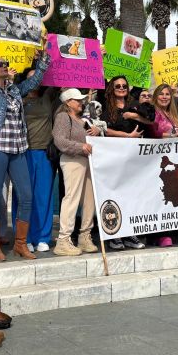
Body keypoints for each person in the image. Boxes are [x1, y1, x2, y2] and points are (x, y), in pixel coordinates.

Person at [0, 32, 50, 261]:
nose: (3, 66)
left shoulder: (15, 91)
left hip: (18, 147)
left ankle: (20, 244)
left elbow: (35, 80)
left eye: (5, 64)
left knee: (26, 195)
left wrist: (43, 53)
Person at [11, 68, 58, 253]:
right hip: (22, 153)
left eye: (38, 77)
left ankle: (43, 237)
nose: (35, 81)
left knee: (43, 196)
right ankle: (24, 237)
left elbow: (62, 73)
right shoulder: (17, 97)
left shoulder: (48, 96)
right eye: (31, 78)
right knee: (22, 196)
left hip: (44, 154)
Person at [52, 89, 102, 256]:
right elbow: (59, 140)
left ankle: (85, 235)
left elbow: (93, 138)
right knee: (71, 198)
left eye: (81, 100)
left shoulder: (82, 120)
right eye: (77, 100)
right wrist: (80, 146)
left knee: (90, 198)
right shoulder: (62, 117)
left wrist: (96, 131)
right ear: (68, 102)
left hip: (87, 161)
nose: (81, 102)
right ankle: (63, 240)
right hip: (72, 160)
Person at [100, 76, 146, 250]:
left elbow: (150, 119)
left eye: (124, 86)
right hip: (113, 156)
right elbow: (104, 129)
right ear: (112, 88)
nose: (121, 88)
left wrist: (134, 115)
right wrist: (127, 136)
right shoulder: (106, 108)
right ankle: (115, 234)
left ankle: (130, 233)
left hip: (133, 157)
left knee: (131, 194)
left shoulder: (134, 105)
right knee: (115, 194)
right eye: (117, 85)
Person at [147, 84, 178, 247]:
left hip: (173, 163)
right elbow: (150, 132)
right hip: (154, 161)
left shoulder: (174, 114)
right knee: (157, 196)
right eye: (161, 94)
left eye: (167, 94)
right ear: (156, 96)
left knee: (169, 196)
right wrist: (169, 135)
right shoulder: (152, 112)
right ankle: (159, 234)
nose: (164, 97)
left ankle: (167, 231)